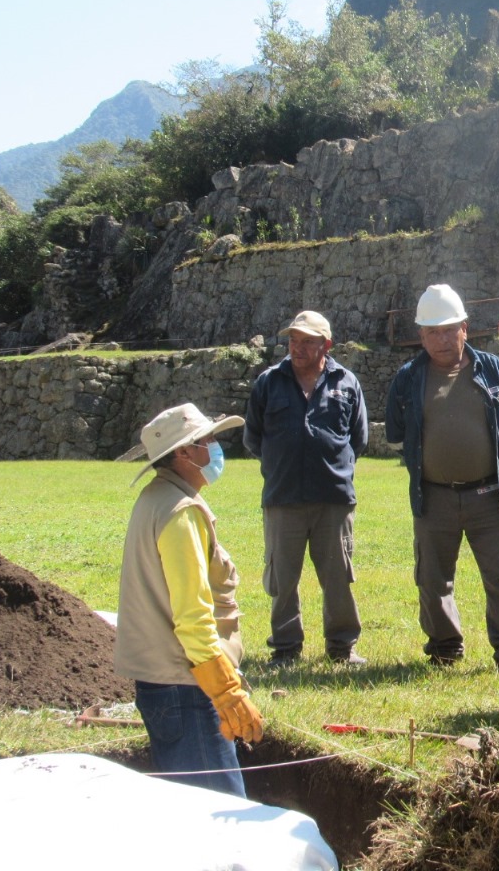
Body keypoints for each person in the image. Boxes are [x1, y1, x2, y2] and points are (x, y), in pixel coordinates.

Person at [115, 403, 262, 798]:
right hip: (186, 689)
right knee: (217, 818)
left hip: (168, 687)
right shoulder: (180, 511)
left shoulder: (158, 498)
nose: (215, 449)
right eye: (207, 441)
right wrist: (226, 691)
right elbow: (193, 617)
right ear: (184, 453)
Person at [385, 284, 499, 673]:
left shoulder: (495, 370)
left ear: (465, 328)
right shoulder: (407, 379)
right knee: (433, 581)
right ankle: (444, 649)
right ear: (420, 336)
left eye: (449, 329)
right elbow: (397, 431)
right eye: (432, 332)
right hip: (432, 498)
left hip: (489, 494)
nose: (442, 339)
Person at [244, 310, 370, 667]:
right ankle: (285, 648)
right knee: (283, 578)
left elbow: (358, 440)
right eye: (293, 340)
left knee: (337, 576)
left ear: (326, 345)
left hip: (333, 498)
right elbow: (253, 438)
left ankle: (342, 647)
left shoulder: (346, 382)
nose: (297, 348)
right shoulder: (269, 382)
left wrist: (329, 463)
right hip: (283, 497)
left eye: (307, 341)